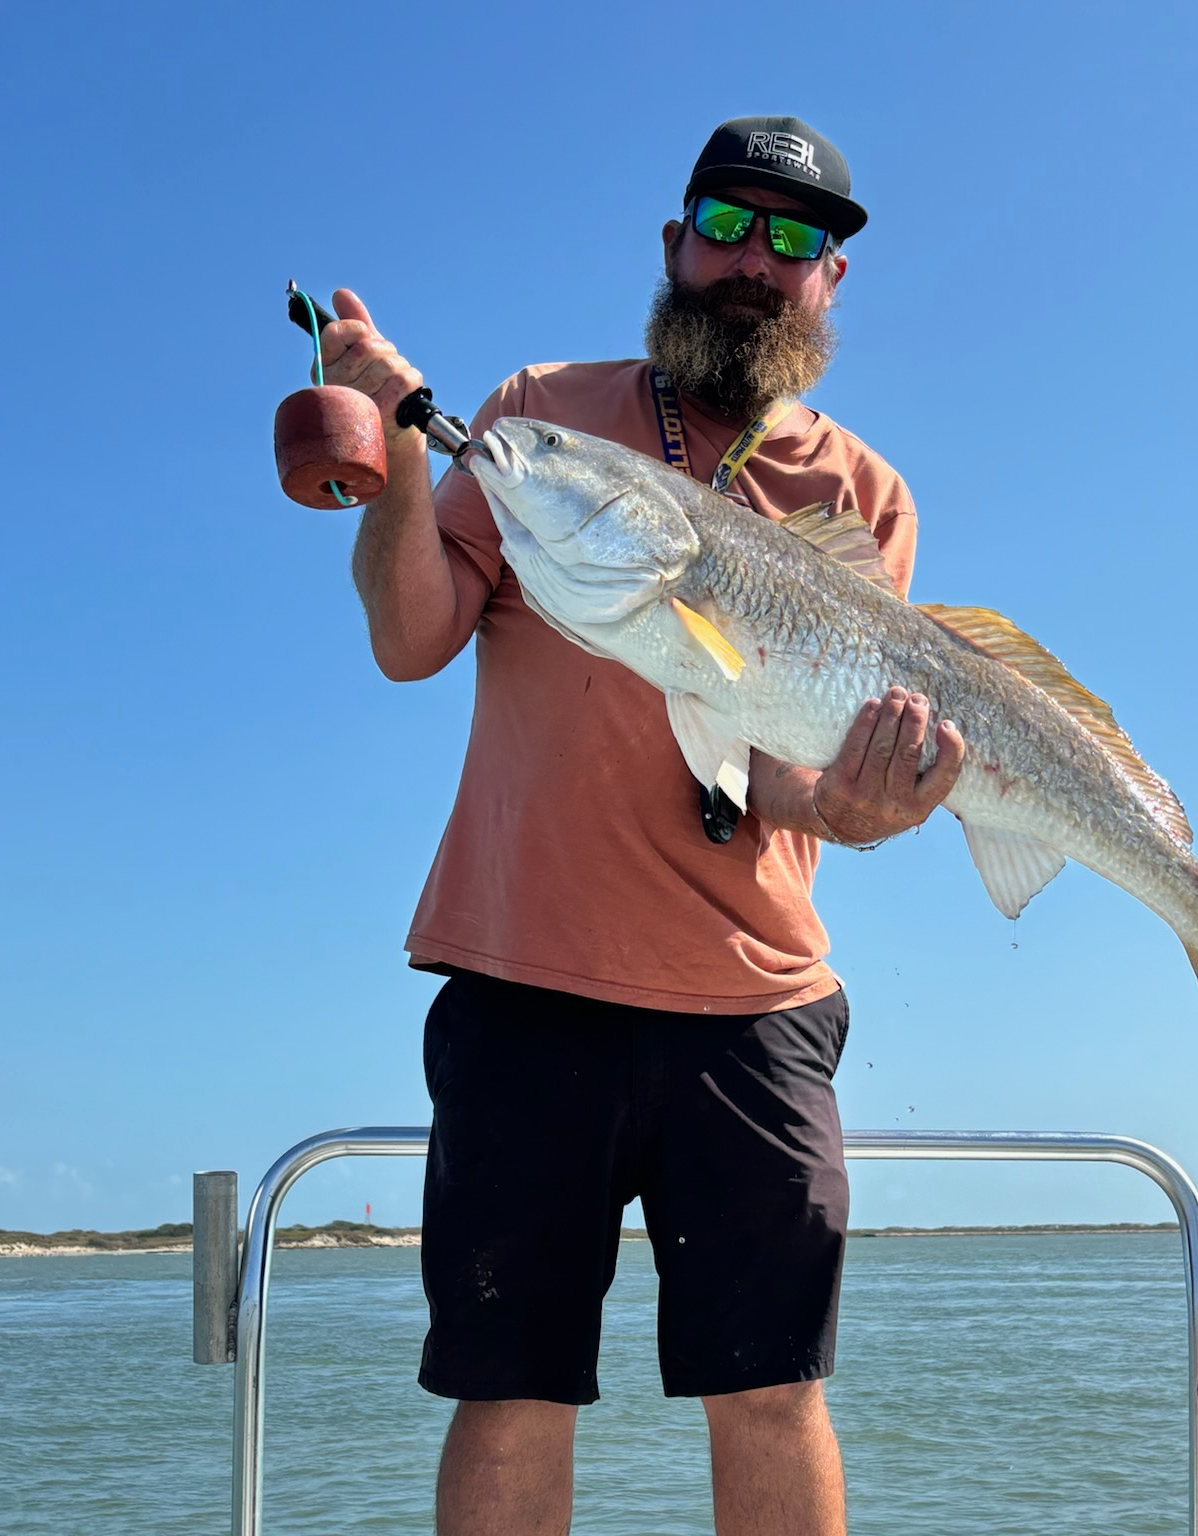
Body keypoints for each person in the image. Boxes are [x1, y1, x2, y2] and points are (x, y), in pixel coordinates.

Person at [321, 115, 965, 1536]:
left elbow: (789, 779)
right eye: (725, 224)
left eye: (797, 241)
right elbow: (412, 637)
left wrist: (860, 809)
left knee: (774, 1387)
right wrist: (396, 466)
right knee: (510, 1386)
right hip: (524, 975)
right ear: (672, 243)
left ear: (830, 288)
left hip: (755, 1003)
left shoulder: (866, 495)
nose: (754, 259)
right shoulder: (542, 414)